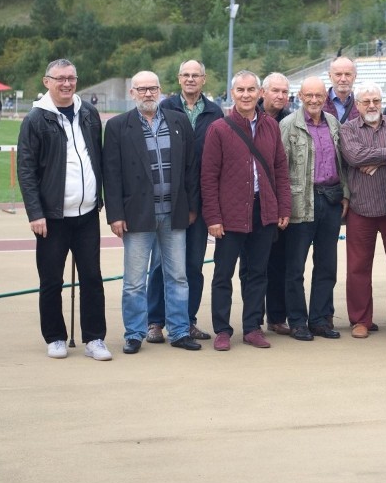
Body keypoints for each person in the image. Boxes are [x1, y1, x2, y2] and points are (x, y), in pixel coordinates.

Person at [17, 59, 111, 361]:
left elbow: (96, 155)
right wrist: (35, 212)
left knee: (92, 279)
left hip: (86, 216)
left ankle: (95, 337)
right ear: (47, 82)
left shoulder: (88, 113)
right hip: (52, 218)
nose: (67, 84)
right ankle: (55, 336)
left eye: (71, 78)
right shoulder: (35, 119)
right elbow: (27, 170)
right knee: (51, 281)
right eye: (60, 79)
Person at [103, 71, 201, 355]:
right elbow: (111, 175)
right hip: (137, 215)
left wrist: (192, 207)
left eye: (153, 88)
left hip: (174, 213)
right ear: (132, 93)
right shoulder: (119, 127)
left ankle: (180, 331)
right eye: (142, 89)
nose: (148, 94)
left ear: (161, 91)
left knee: (177, 277)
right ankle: (134, 333)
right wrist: (115, 215)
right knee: (134, 281)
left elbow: (190, 169)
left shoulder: (178, 121)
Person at [200, 70, 291, 351]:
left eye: (251, 90)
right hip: (229, 215)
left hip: (263, 211)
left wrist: (282, 207)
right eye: (240, 90)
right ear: (233, 93)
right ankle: (223, 330)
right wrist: (213, 217)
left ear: (259, 93)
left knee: (257, 273)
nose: (246, 95)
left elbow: (280, 170)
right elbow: (209, 177)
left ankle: (252, 327)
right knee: (223, 273)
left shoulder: (271, 127)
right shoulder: (219, 128)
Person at [145, 60, 223, 344]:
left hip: (201, 199)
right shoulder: (164, 109)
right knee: (159, 264)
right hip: (169, 199)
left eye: (196, 75)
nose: (190, 79)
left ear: (204, 80)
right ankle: (155, 321)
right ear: (178, 79)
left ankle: (187, 320)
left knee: (193, 265)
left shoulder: (215, 113)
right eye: (186, 75)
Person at [339, 82, 386, 339]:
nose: (372, 106)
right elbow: (354, 157)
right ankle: (360, 320)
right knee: (357, 268)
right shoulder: (348, 128)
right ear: (357, 104)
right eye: (366, 101)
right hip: (361, 207)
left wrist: (379, 159)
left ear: (382, 102)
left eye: (376, 101)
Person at [280, 76, 350, 341]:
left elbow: (342, 161)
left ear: (325, 96)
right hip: (301, 201)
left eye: (318, 95)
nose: (313, 100)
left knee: (326, 265)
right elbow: (280, 168)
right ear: (300, 96)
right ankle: (297, 321)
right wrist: (283, 206)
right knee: (295, 267)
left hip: (330, 201)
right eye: (308, 95)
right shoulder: (288, 125)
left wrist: (346, 195)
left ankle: (319, 319)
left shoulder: (333, 123)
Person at [254, 73, 294, 335]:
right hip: (256, 201)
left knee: (280, 262)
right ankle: (253, 317)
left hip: (283, 200)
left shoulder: (292, 120)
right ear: (262, 93)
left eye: (284, 92)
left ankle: (277, 316)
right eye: (275, 91)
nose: (280, 96)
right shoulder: (250, 118)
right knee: (254, 265)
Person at [323, 56, 360, 124]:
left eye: (347, 74)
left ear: (355, 76)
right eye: (338, 74)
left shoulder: (362, 103)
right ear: (330, 76)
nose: (343, 79)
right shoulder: (320, 103)